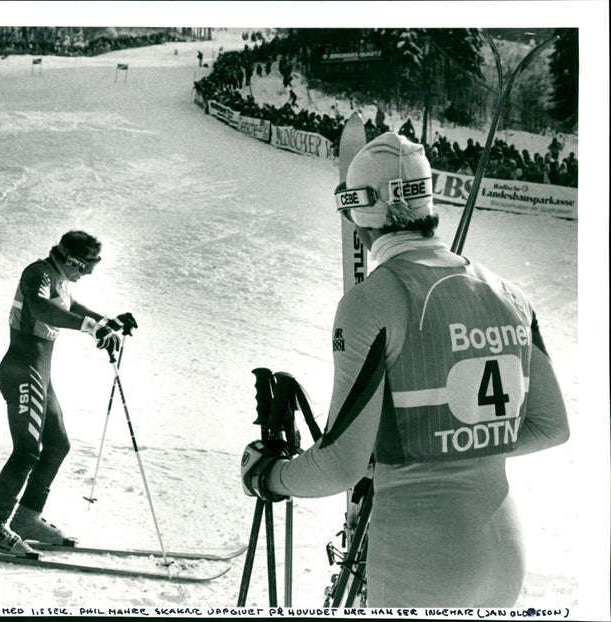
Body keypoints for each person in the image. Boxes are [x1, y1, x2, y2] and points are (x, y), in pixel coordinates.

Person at [241, 132, 570, 606]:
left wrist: (266, 476)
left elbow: (339, 466)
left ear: (360, 215)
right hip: (505, 555)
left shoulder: (373, 300)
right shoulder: (509, 294)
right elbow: (552, 427)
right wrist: (456, 439)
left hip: (422, 561)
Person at [0, 230, 138, 556]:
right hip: (22, 371)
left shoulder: (59, 279)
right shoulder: (39, 273)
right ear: (71, 259)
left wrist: (108, 321)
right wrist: (93, 328)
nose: (89, 272)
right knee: (27, 451)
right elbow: (42, 308)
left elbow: (71, 307)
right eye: (87, 264)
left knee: (58, 444)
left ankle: (26, 518)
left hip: (39, 375)